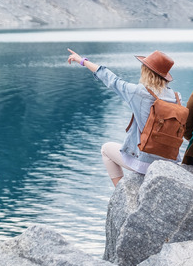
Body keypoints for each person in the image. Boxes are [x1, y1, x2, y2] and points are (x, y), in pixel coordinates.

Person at [66, 48, 181, 186]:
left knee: (106, 150)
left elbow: (111, 79)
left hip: (146, 162)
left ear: (146, 71)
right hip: (170, 161)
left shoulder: (138, 92)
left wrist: (82, 61)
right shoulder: (176, 97)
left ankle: (123, 193)